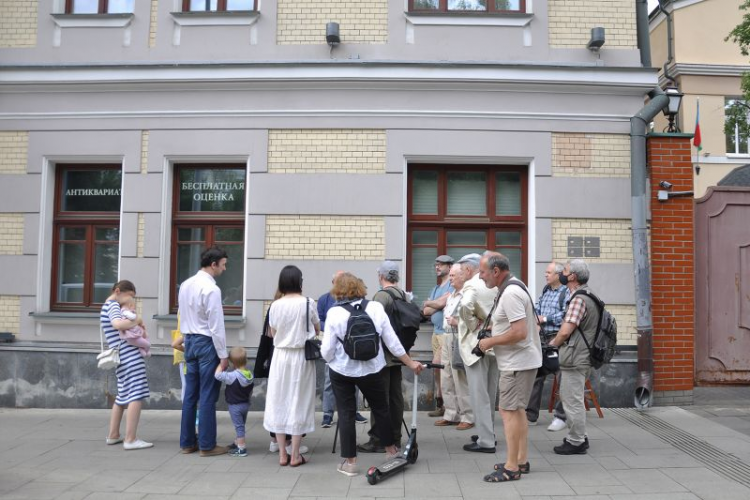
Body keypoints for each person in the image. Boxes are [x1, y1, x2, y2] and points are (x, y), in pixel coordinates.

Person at [322, 272, 424, 477]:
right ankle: (391, 451)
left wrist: (333, 360)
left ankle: (350, 463)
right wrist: (411, 363)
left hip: (342, 371)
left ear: (338, 291)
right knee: (381, 409)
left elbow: (326, 350)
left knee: (346, 413)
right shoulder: (376, 308)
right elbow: (392, 342)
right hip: (372, 368)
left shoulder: (334, 313)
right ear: (360, 287)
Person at [477, 252, 541, 482]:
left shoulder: (511, 293)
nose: (480, 276)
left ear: (496, 271)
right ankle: (521, 460)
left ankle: (511, 467)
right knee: (517, 410)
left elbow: (519, 332)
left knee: (508, 412)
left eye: (482, 272)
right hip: (521, 361)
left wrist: (489, 341)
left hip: (517, 363)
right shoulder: (515, 286)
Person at [263, 265, 320, 467]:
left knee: (279, 401)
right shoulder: (308, 303)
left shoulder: (275, 305)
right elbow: (316, 328)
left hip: (280, 357)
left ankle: (281, 454)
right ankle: (295, 454)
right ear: (299, 282)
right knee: (299, 401)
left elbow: (272, 333)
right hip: (301, 357)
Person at [178, 246, 230, 457]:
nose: (225, 269)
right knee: (208, 394)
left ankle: (187, 443)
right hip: (206, 342)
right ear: (213, 264)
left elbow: (182, 313)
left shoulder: (186, 284)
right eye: (223, 264)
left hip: (189, 340)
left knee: (190, 394)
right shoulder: (212, 289)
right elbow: (216, 325)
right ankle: (207, 445)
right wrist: (223, 355)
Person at [357, 261, 411, 453]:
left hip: (383, 356)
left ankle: (379, 439)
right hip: (398, 353)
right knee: (396, 398)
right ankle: (395, 437)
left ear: (381, 276)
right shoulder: (403, 294)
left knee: (380, 399)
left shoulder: (381, 296)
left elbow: (372, 323)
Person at [548, 259, 599, 455]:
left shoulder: (578, 299)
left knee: (572, 400)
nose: (562, 272)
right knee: (573, 398)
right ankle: (579, 436)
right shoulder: (587, 294)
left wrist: (553, 344)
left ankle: (576, 441)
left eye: (566, 270)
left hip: (575, 357)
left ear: (573, 277)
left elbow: (565, 331)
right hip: (581, 356)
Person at [455, 254, 499, 453]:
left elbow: (465, 306)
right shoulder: (495, 284)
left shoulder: (472, 285)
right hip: (494, 343)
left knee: (479, 394)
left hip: (475, 346)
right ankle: (488, 433)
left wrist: (472, 324)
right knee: (490, 393)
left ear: (468, 270)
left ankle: (486, 440)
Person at [102, 280, 152, 450]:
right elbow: (118, 324)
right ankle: (131, 439)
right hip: (130, 354)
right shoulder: (114, 306)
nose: (132, 300)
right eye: (130, 296)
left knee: (122, 395)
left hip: (120, 356)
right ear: (118, 291)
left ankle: (113, 435)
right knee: (136, 395)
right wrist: (137, 320)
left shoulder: (105, 306)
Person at [319, 271, 367, 428]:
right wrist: (331, 328)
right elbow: (319, 320)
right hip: (331, 344)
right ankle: (327, 413)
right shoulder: (324, 299)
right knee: (328, 382)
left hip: (352, 345)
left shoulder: (356, 299)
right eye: (337, 281)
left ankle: (353, 412)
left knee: (354, 379)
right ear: (333, 282)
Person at [527, 261, 569, 430]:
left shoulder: (565, 292)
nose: (545, 275)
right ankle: (530, 416)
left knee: (562, 377)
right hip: (542, 339)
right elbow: (537, 309)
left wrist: (545, 319)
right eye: (546, 272)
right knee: (536, 375)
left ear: (558, 275)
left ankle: (561, 416)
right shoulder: (546, 290)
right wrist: (536, 320)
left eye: (549, 272)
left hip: (558, 338)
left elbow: (566, 315)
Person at [437, 263, 474, 430]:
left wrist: (457, 322)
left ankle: (468, 416)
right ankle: (451, 413)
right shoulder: (451, 294)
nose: (450, 278)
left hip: (459, 337)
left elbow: (477, 320)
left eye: (453, 276)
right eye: (450, 275)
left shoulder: (468, 294)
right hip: (447, 337)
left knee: (460, 378)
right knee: (446, 377)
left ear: (462, 276)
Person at [422, 255, 455, 418]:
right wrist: (435, 304)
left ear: (450, 267)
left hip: (446, 333)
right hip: (435, 332)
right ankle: (440, 403)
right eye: (436, 264)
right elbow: (426, 311)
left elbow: (443, 303)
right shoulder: (436, 288)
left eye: (441, 264)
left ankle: (450, 407)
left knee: (440, 366)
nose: (437, 267)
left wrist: (432, 303)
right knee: (437, 370)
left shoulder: (452, 284)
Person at [215, 346, 254, 457]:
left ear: (232, 362)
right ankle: (238, 442)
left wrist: (221, 363)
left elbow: (217, 375)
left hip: (235, 406)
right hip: (245, 404)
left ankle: (241, 448)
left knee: (239, 426)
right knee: (241, 424)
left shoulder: (232, 376)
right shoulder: (249, 375)